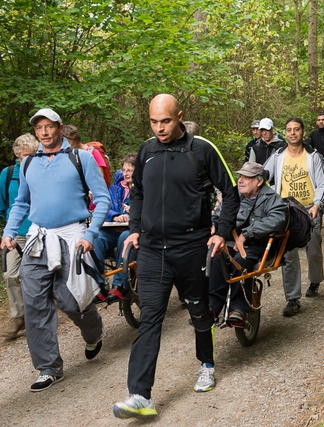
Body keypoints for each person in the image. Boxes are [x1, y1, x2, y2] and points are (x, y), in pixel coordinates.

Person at [112, 94, 239, 419]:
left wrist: (220, 233)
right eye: (154, 122)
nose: (159, 128)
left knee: (199, 310)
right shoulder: (146, 151)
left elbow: (231, 190)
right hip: (154, 249)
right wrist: (137, 228)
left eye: (165, 121)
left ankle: (207, 364)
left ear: (179, 117)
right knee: (151, 317)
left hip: (192, 246)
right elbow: (137, 191)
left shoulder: (202, 150)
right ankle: (140, 394)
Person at [0, 108, 110, 392]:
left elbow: (102, 197)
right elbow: (21, 203)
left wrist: (91, 233)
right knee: (35, 303)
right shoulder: (29, 164)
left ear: (60, 128)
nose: (45, 132)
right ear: (35, 132)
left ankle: (93, 333)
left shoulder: (80, 158)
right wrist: (10, 231)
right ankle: (48, 368)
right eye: (39, 128)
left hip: (73, 237)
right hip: (38, 239)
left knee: (72, 302)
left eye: (49, 126)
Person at [209, 161, 287, 325]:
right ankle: (212, 307)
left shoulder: (271, 198)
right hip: (231, 242)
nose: (241, 180)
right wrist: (212, 225)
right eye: (240, 176)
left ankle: (238, 309)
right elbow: (218, 215)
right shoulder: (233, 196)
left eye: (247, 177)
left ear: (259, 181)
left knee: (241, 261)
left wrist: (247, 234)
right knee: (216, 256)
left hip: (258, 244)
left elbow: (277, 220)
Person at [263, 117, 324, 311]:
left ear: (302, 132)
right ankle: (292, 299)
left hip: (309, 209)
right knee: (288, 255)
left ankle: (315, 281)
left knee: (313, 250)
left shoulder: (313, 155)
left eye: (296, 129)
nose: (293, 133)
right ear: (285, 132)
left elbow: (323, 184)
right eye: (289, 130)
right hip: (286, 211)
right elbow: (262, 174)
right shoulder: (278, 156)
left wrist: (317, 204)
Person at [0, 133, 39, 341]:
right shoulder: (8, 174)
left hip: (38, 232)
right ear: (17, 154)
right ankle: (19, 317)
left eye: (34, 155)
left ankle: (38, 317)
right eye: (25, 156)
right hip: (15, 235)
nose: (29, 159)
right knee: (10, 274)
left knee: (34, 276)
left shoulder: (42, 171)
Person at [92, 153, 136, 303]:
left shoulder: (145, 187)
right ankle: (98, 285)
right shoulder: (116, 188)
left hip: (134, 231)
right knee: (96, 238)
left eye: (130, 170)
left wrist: (134, 211)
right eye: (124, 170)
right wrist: (115, 215)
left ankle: (120, 285)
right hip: (113, 229)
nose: (126, 173)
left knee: (125, 238)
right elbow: (105, 206)